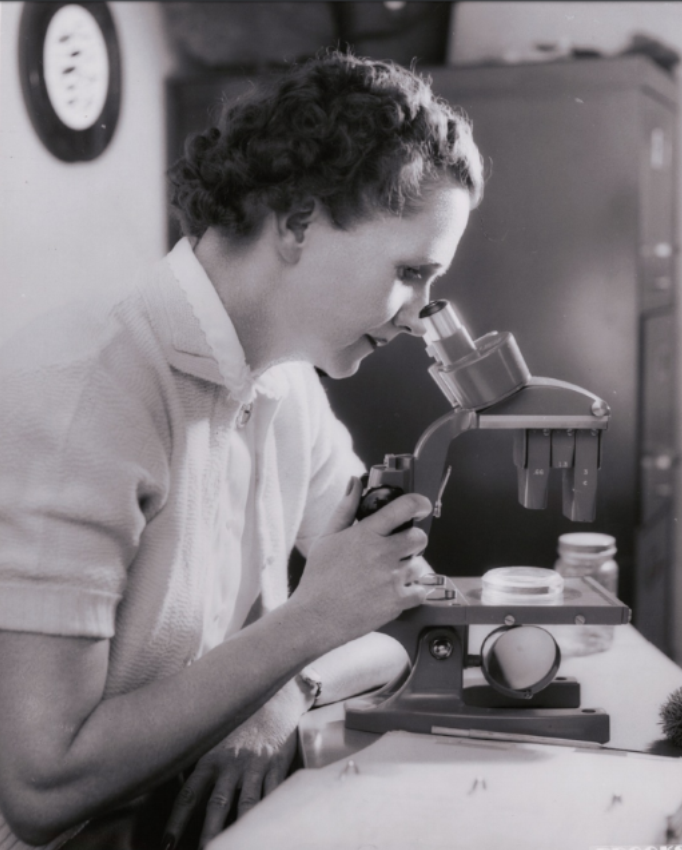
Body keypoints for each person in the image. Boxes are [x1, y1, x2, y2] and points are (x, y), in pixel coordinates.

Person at [0, 50, 483, 849]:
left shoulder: (286, 386)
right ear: (298, 220)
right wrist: (305, 626)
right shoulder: (82, 389)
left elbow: (395, 609)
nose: (417, 316)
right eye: (410, 272)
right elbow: (42, 787)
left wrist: (283, 690)